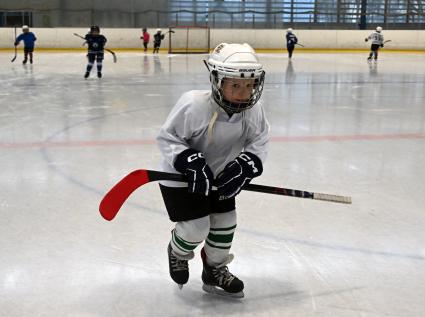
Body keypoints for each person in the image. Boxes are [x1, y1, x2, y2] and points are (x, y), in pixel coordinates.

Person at [156, 43, 269, 298]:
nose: (244, 93)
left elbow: (259, 141)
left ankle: (214, 271)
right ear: (217, 81)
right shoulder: (194, 105)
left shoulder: (254, 111)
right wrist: (188, 160)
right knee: (196, 227)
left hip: (221, 177)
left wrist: (247, 164)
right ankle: (177, 252)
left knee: (225, 223)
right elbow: (167, 138)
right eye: (236, 85)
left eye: (250, 85)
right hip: (180, 178)